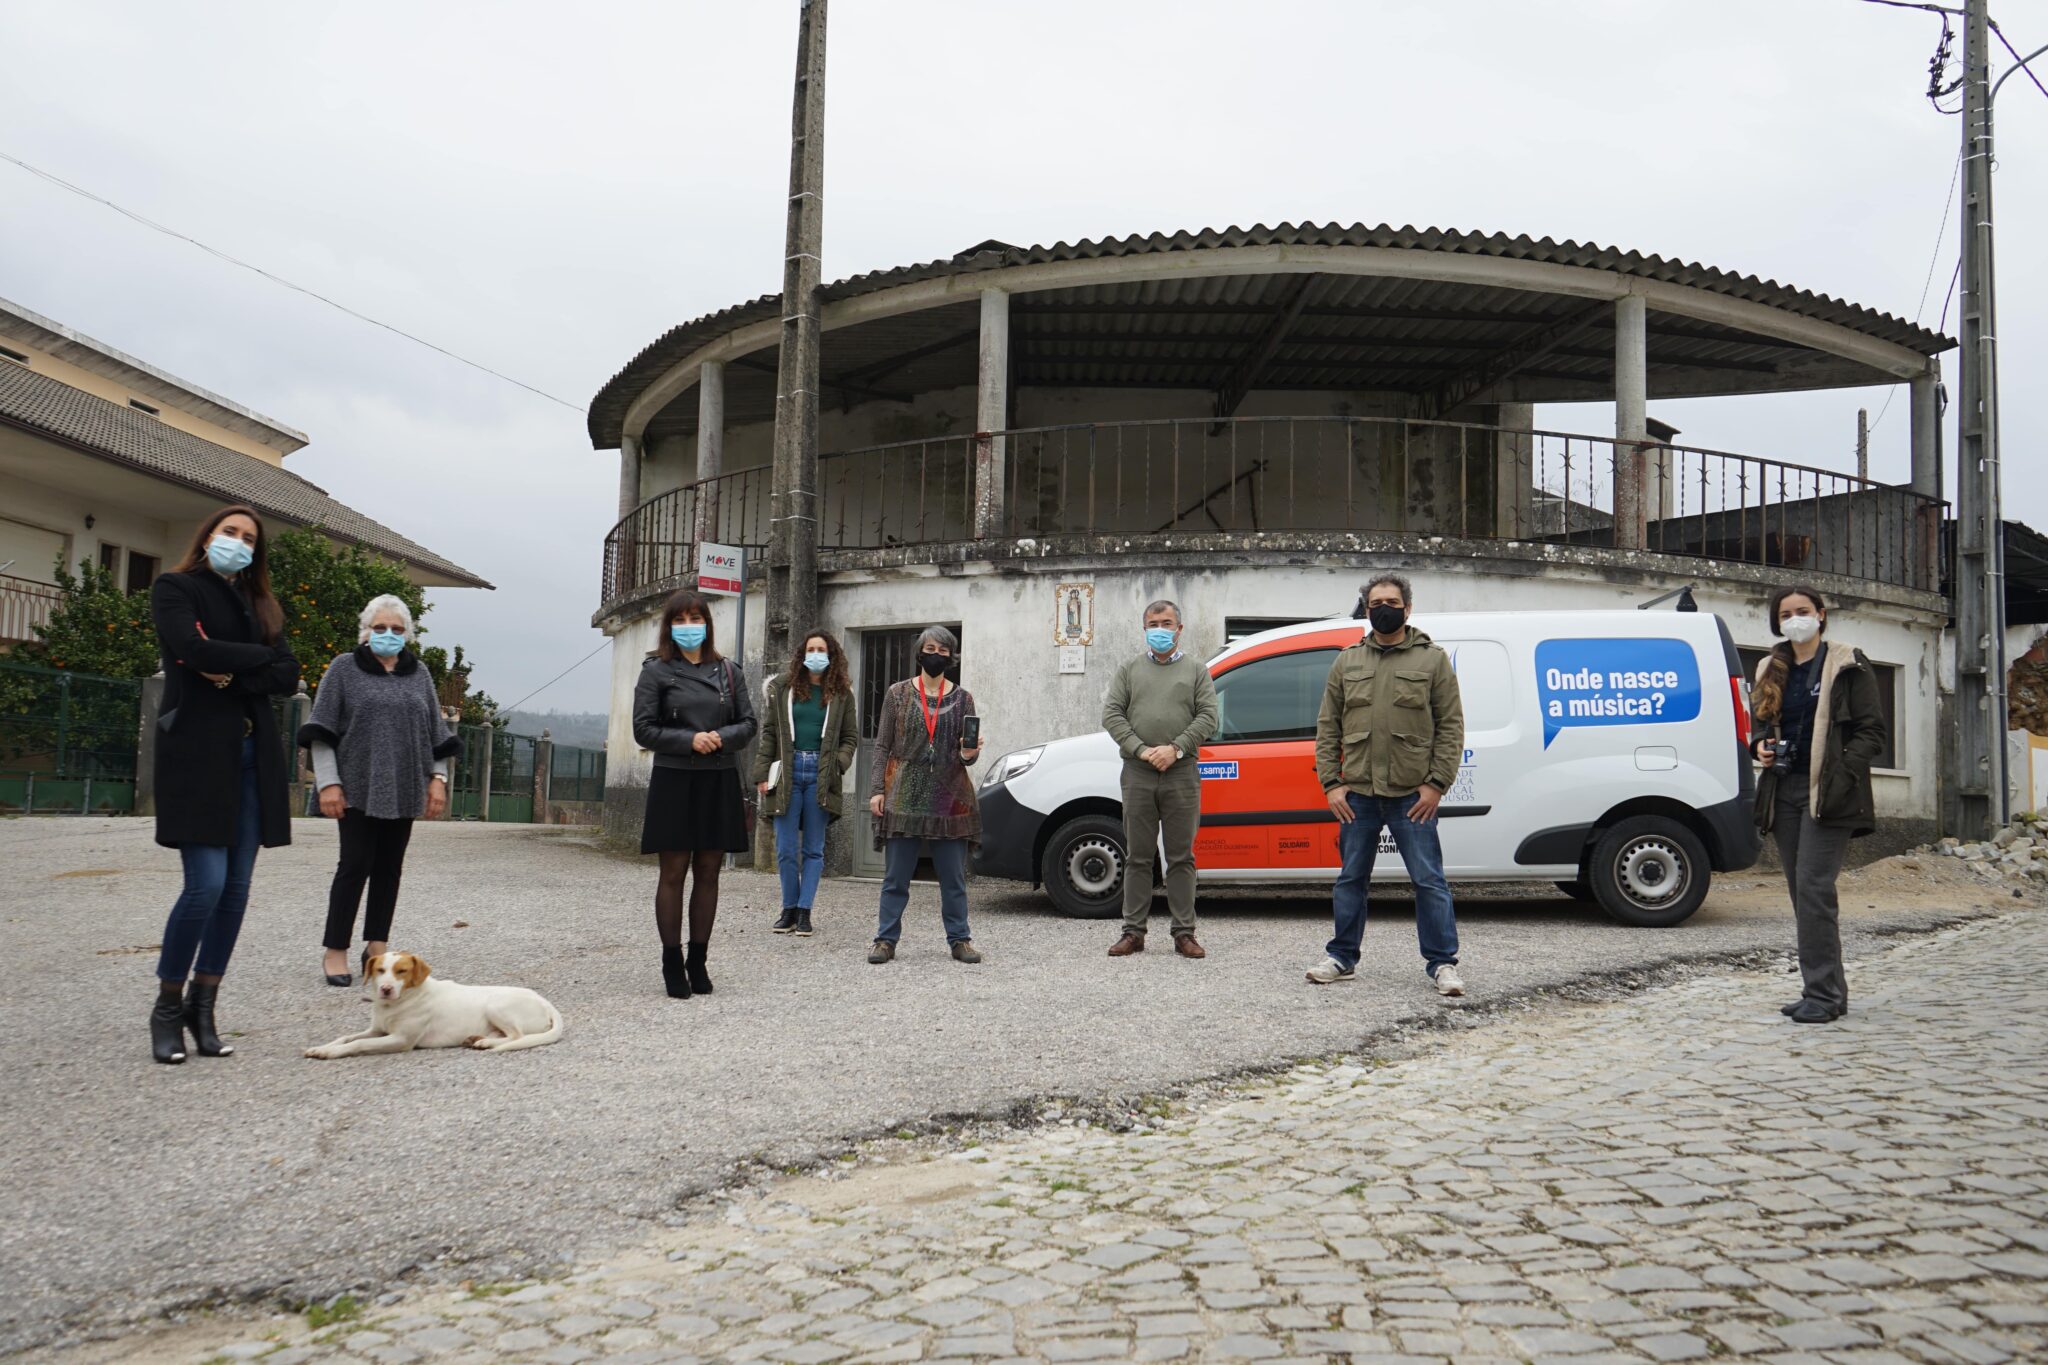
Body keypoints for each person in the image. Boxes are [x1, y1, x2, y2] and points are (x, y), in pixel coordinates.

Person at [146, 505, 301, 1063]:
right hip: (195, 755)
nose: (237, 542)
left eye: (248, 538)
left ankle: (203, 1006)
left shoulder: (261, 604)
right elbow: (191, 649)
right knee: (204, 886)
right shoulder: (176, 587)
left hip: (251, 755)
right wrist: (255, 661)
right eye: (229, 532)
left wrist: (233, 668)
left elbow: (288, 673)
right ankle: (167, 1006)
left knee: (236, 890)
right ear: (208, 534)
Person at [1306, 573, 1467, 996]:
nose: (1384, 608)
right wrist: (1332, 784)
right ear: (1367, 607)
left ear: (1407, 608)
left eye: (1392, 601)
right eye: (1376, 602)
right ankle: (1342, 957)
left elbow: (1451, 727)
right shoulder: (1347, 661)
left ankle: (1442, 963)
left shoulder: (1432, 660)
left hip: (1412, 794)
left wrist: (1436, 785)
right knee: (1350, 880)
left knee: (1429, 880)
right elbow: (1328, 728)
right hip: (1358, 793)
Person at [299, 594, 458, 988]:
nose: (388, 635)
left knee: (389, 869)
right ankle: (335, 949)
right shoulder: (343, 669)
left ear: (408, 635)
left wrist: (437, 779)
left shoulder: (418, 673)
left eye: (397, 629)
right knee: (353, 866)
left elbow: (437, 736)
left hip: (405, 786)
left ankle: (376, 947)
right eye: (380, 627)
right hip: (355, 785)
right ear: (365, 630)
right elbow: (321, 730)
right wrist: (329, 782)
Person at [1749, 585, 1887, 1025]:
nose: (1795, 619)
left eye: (1803, 611)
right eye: (1786, 613)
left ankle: (1824, 996)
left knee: (1813, 889)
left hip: (1829, 792)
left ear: (1821, 615)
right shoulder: (1770, 668)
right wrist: (1760, 750)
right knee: (1801, 892)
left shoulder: (1847, 661)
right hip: (1784, 788)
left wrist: (1843, 772)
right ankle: (1824, 989)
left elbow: (1871, 732)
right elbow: (1760, 727)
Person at [632, 590, 757, 999]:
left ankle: (697, 959)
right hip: (674, 777)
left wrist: (719, 736)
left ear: (707, 622)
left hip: (718, 777)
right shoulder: (655, 671)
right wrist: (690, 740)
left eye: (695, 618)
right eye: (680, 619)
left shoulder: (728, 671)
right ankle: (671, 960)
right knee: (673, 872)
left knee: (709, 872)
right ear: (670, 626)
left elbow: (749, 723)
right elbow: (644, 729)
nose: (689, 626)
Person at [1102, 599, 1219, 958]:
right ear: (1144, 628)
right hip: (1138, 773)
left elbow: (1208, 717)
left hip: (1181, 773)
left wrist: (1176, 748)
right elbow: (1112, 715)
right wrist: (1141, 749)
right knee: (1138, 856)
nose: (1160, 629)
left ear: (1179, 629)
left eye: (1167, 623)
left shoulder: (1197, 670)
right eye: (1153, 623)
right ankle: (1133, 932)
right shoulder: (1129, 670)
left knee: (1181, 857)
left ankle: (1184, 933)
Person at [866, 626, 984, 965]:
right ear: (919, 652)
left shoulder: (963, 698)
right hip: (903, 793)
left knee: (954, 879)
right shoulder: (897, 694)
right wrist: (877, 790)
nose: (937, 654)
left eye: (944, 650)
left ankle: (960, 940)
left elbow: (967, 757)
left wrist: (970, 752)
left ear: (951, 657)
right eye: (930, 648)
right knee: (895, 878)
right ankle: (885, 940)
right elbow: (882, 746)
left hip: (950, 797)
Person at [751, 629, 860, 937]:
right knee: (785, 848)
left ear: (831, 655)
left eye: (821, 649)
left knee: (814, 849)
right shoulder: (782, 689)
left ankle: (804, 911)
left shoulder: (842, 694)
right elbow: (770, 733)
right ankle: (788, 909)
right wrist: (761, 773)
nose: (815, 654)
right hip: (787, 772)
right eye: (810, 648)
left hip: (822, 774)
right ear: (802, 654)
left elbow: (850, 737)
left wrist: (838, 764)